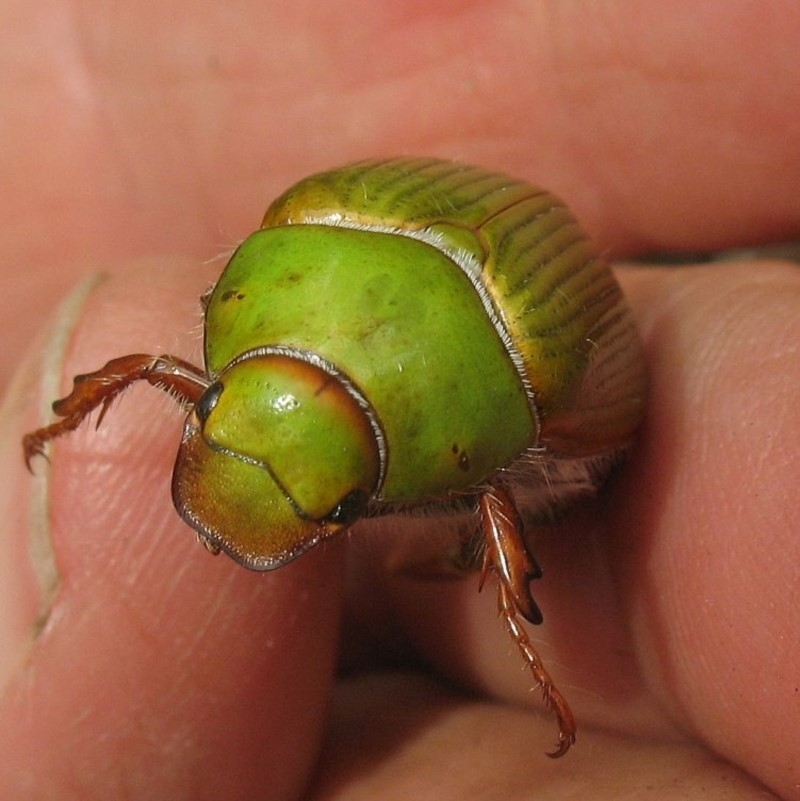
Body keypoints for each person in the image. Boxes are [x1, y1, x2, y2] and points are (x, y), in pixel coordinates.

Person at [1, 3, 798, 799]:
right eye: (208, 408)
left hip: (517, 326)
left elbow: (504, 491)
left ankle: (511, 612)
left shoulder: (519, 386)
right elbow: (145, 361)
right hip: (385, 244)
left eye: (342, 506)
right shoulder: (293, 234)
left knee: (502, 503)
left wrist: (519, 627)